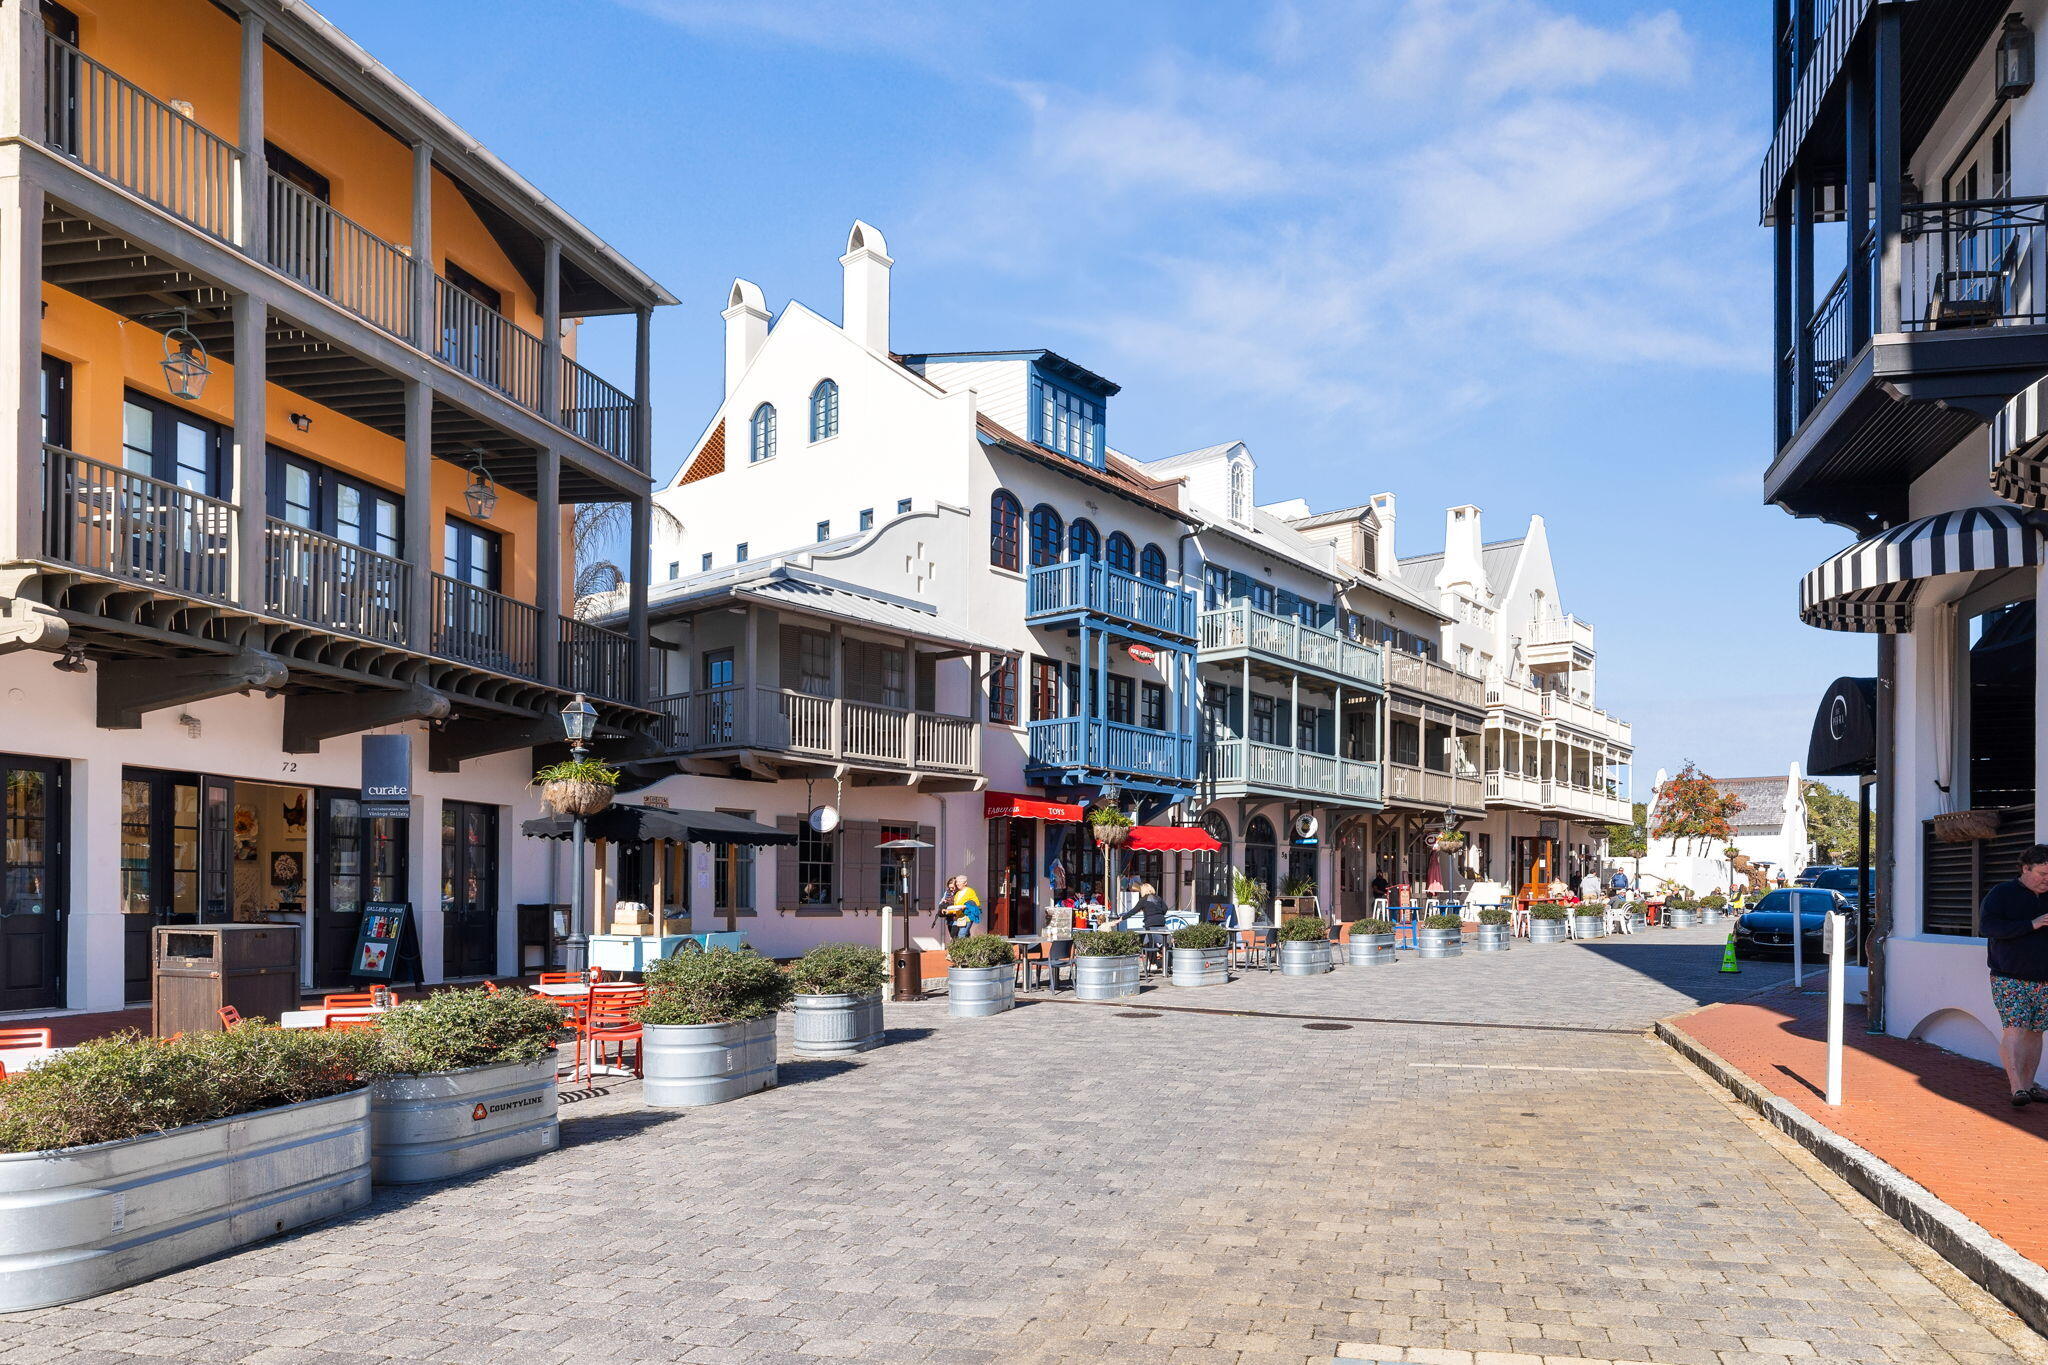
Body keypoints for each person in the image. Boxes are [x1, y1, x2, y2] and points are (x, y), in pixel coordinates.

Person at [1981, 845, 2048, 1107]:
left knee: (2036, 1032)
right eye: (2042, 874)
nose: (2046, 880)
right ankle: (2017, 1088)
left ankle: (2030, 1086)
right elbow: (1988, 927)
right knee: (2015, 1029)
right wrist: (2033, 923)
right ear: (2025, 868)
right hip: (2010, 977)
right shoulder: (2002, 893)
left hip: (2044, 979)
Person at [939, 875, 982, 941]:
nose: (957, 883)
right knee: (962, 936)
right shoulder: (958, 893)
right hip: (959, 917)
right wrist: (948, 911)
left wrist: (965, 906)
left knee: (961, 935)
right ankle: (968, 950)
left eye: (959, 882)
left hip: (967, 917)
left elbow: (976, 903)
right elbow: (955, 907)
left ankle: (959, 950)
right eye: (957, 882)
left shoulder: (970, 891)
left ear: (965, 883)